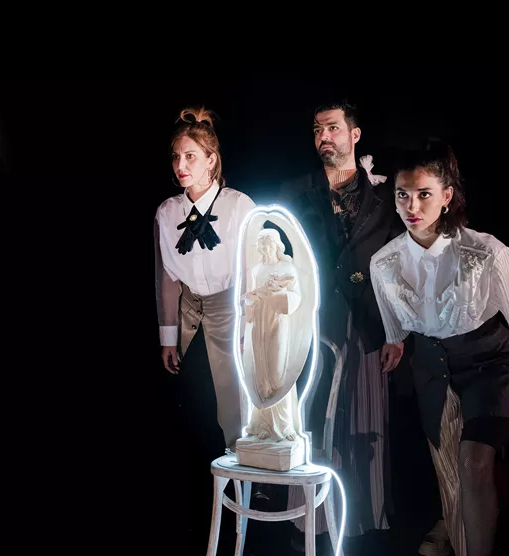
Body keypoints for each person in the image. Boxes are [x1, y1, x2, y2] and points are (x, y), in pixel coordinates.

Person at [370, 142, 509, 556]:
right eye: (402, 194)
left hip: (490, 364)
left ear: (447, 196)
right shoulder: (384, 263)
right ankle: (457, 534)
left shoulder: (487, 252)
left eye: (424, 194)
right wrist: (395, 344)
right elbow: (394, 330)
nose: (412, 206)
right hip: (432, 365)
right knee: (448, 468)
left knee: (473, 461)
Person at [279, 100, 404, 545]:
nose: (323, 137)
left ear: (354, 134)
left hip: (368, 322)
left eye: (332, 128)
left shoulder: (385, 197)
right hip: (315, 323)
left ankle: (362, 518)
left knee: (365, 421)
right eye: (317, 130)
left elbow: (397, 268)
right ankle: (311, 520)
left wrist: (396, 331)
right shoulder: (297, 193)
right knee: (314, 418)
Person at [154, 106, 255, 452]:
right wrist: (168, 338)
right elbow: (167, 278)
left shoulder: (238, 206)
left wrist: (249, 330)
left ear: (211, 160)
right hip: (188, 317)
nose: (180, 165)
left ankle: (242, 477)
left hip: (230, 315)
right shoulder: (167, 212)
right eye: (176, 157)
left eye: (190, 156)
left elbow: (252, 273)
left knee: (234, 406)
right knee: (191, 404)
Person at [242, 228, 303, 442]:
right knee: (261, 372)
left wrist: (279, 293)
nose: (264, 247)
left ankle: (284, 425)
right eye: (261, 244)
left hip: (278, 321)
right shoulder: (257, 270)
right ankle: (263, 425)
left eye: (267, 243)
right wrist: (250, 300)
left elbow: (296, 297)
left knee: (278, 373)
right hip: (259, 323)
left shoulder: (287, 267)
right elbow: (251, 297)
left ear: (277, 245)